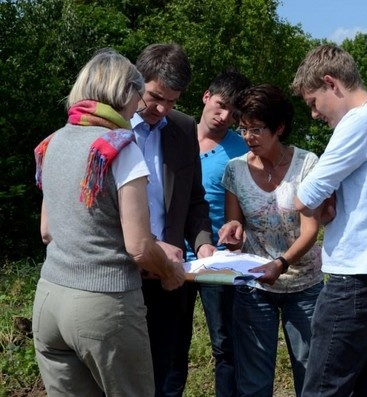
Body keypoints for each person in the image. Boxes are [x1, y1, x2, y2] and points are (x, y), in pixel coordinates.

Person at [31, 49, 186, 397]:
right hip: (104, 304)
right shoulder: (119, 147)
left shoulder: (52, 143)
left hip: (49, 299)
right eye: (139, 96)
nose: (139, 107)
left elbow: (46, 230)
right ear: (127, 92)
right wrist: (170, 272)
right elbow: (139, 247)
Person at [290, 44, 367, 396]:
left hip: (355, 278)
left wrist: (318, 202)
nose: (314, 114)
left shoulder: (359, 123)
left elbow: (304, 197)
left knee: (323, 389)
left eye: (314, 102)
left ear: (332, 83)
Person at [218, 84, 323, 397]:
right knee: (253, 380)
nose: (248, 137)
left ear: (279, 127)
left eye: (256, 129)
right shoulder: (235, 170)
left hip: (304, 285)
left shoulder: (307, 165)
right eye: (243, 129)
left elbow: (310, 230)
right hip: (255, 286)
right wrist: (232, 232)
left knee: (310, 372)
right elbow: (235, 221)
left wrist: (282, 263)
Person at [131, 43, 216, 397]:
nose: (162, 109)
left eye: (173, 101)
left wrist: (203, 242)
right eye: (155, 97)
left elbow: (195, 198)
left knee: (168, 372)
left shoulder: (183, 128)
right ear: (136, 83)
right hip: (123, 275)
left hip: (170, 276)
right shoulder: (110, 126)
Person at [170, 70, 251, 397]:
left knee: (225, 344)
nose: (224, 116)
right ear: (205, 96)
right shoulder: (173, 135)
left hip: (220, 259)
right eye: (220, 106)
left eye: (233, 112)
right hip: (175, 256)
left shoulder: (241, 149)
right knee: (173, 343)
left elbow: (248, 198)